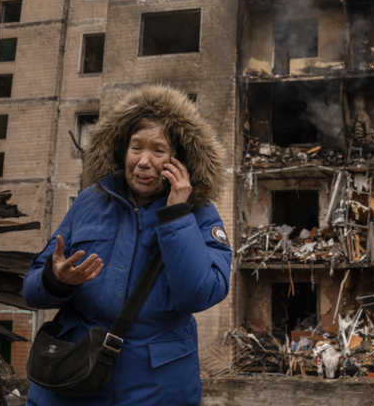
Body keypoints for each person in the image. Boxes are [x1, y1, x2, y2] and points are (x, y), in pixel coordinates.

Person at [22, 85, 232, 406]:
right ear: (123, 151)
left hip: (155, 387)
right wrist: (55, 280)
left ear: (180, 161)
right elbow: (31, 290)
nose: (144, 161)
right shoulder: (90, 201)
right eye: (136, 147)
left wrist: (177, 214)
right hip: (72, 378)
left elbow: (200, 294)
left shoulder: (199, 213)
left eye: (158, 151)